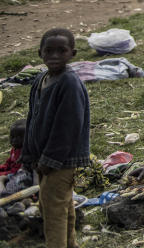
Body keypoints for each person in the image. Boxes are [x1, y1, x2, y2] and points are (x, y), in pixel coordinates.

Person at [21, 28, 89, 248]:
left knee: (53, 210)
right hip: (44, 157)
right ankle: (70, 244)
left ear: (73, 53)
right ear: (40, 52)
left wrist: (50, 159)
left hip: (61, 159)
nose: (55, 56)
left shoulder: (69, 83)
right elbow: (32, 119)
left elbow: (67, 128)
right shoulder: (42, 79)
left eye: (62, 51)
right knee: (60, 203)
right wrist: (30, 154)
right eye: (49, 51)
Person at [0, 120, 25, 189]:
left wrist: (4, 173)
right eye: (12, 137)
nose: (14, 140)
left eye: (19, 137)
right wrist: (3, 167)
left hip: (16, 174)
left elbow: (16, 170)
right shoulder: (14, 149)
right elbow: (9, 161)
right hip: (10, 170)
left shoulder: (23, 153)